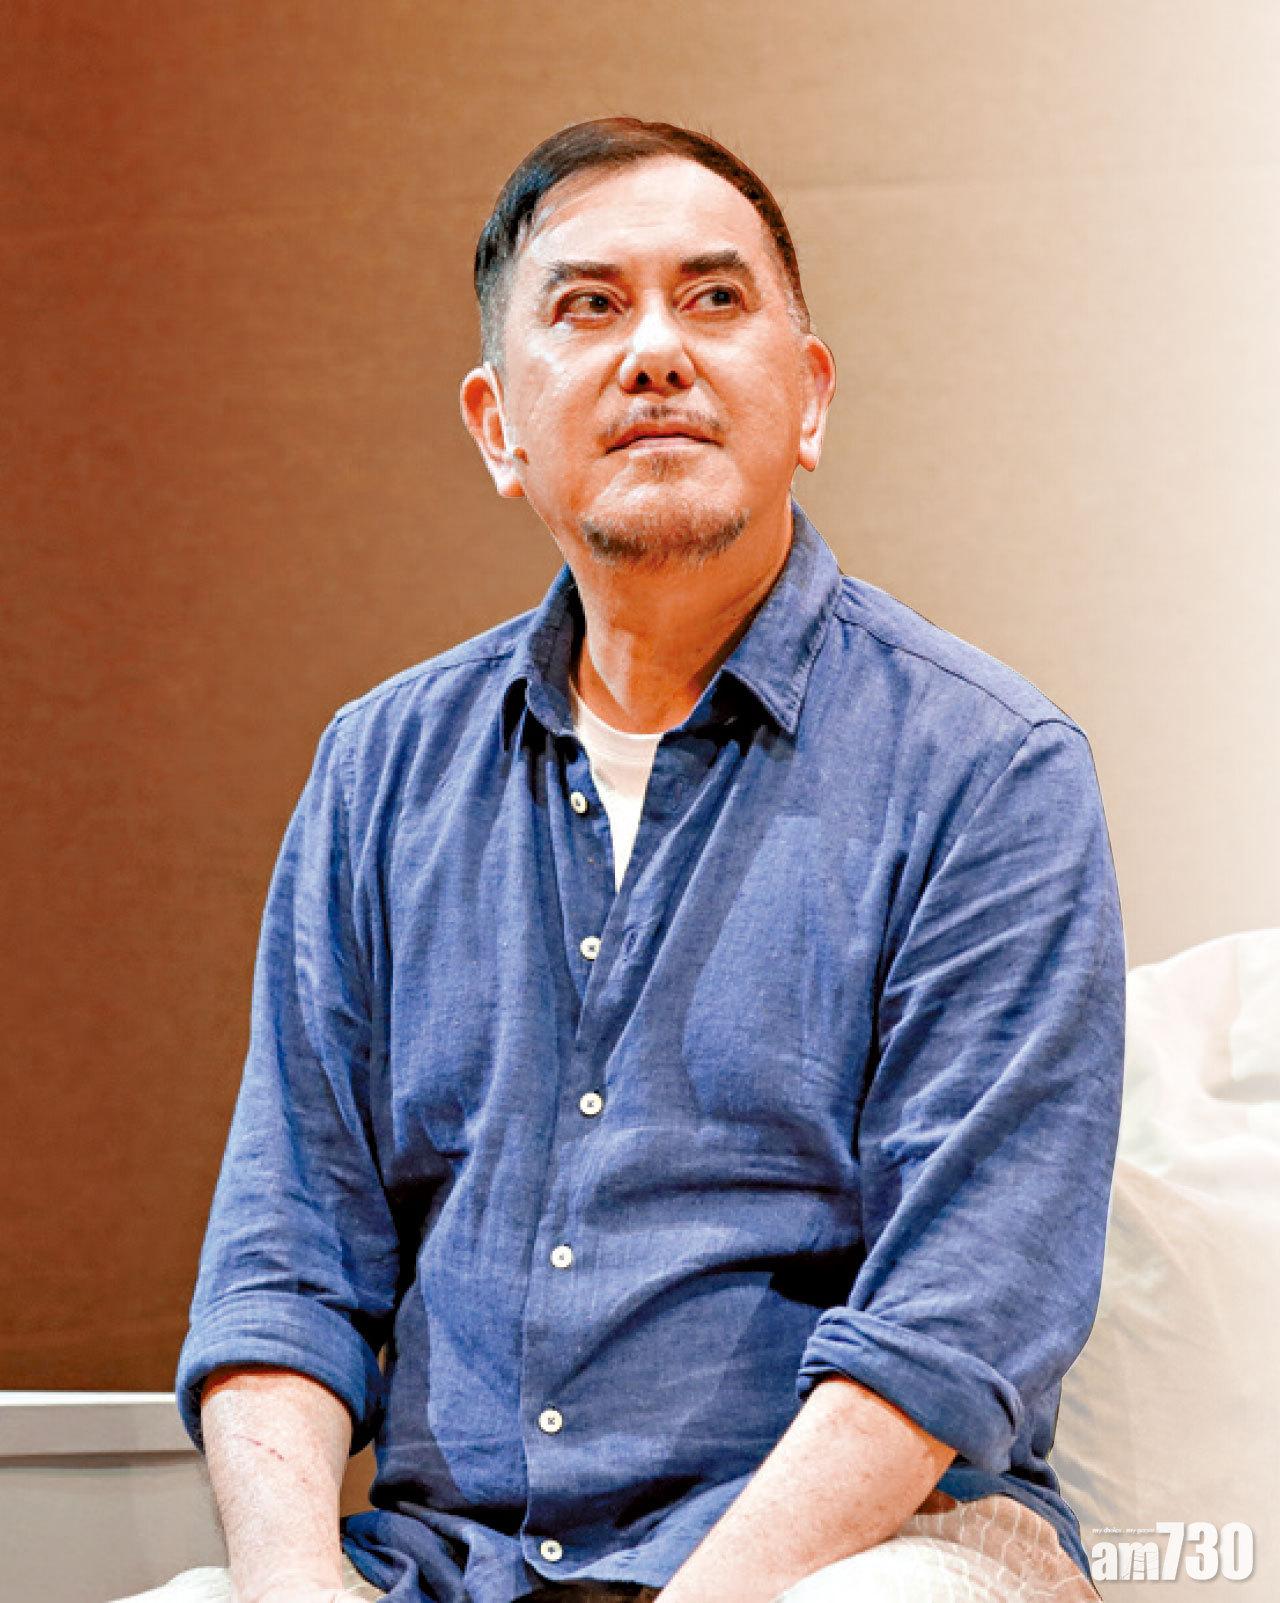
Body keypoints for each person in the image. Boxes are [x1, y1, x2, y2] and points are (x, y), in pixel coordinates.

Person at [120, 117, 1123, 1603]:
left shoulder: (989, 769)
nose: (657, 352)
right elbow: (286, 1266)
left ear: (811, 397)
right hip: (449, 1566)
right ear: (498, 428)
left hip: (863, 1551)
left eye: (713, 299)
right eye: (589, 307)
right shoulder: (379, 770)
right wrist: (290, 1587)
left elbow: (954, 1322)